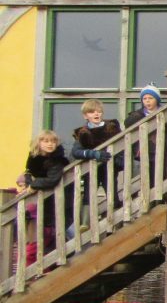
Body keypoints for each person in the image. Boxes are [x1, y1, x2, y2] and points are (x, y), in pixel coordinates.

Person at [17, 130, 72, 266]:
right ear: (39, 143)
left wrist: (34, 184)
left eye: (53, 141)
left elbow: (52, 180)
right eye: (46, 141)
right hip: (42, 206)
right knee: (38, 243)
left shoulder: (57, 160)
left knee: (58, 235)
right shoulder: (33, 159)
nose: (50, 144)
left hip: (58, 202)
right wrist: (30, 184)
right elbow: (28, 175)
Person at [71, 99, 123, 201]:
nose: (96, 114)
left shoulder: (112, 127)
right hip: (91, 169)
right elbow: (76, 152)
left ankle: (115, 208)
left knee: (112, 196)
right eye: (91, 112)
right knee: (89, 197)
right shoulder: (83, 132)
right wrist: (94, 154)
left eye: (99, 111)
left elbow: (122, 144)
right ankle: (87, 211)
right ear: (85, 116)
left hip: (110, 166)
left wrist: (119, 159)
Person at [124, 84, 162, 165]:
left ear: (157, 100)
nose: (147, 101)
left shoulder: (164, 112)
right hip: (144, 149)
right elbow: (127, 123)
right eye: (144, 98)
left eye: (151, 98)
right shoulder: (137, 114)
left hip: (162, 148)